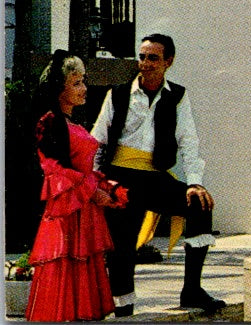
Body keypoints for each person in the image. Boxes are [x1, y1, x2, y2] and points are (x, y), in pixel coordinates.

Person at [90, 34, 225, 316]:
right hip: (121, 177)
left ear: (168, 62)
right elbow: (97, 141)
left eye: (153, 58)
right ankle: (124, 310)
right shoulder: (117, 93)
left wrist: (195, 183)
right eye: (142, 57)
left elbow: (189, 141)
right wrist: (95, 184)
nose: (146, 64)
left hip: (154, 177)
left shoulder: (177, 95)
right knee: (123, 246)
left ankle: (192, 291)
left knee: (200, 205)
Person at [26, 50, 124, 321]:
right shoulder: (50, 121)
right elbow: (54, 169)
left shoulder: (70, 121)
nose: (84, 88)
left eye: (84, 81)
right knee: (64, 287)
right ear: (60, 88)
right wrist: (94, 191)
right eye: (77, 83)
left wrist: (107, 188)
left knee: (83, 290)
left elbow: (83, 167)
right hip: (67, 212)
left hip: (83, 209)